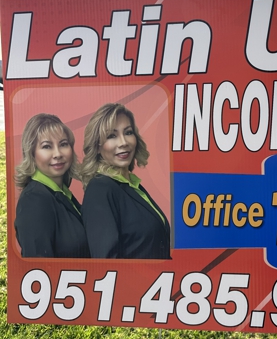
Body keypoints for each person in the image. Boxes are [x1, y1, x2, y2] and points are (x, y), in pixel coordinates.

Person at [80, 103, 171, 259]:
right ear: (97, 146)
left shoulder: (132, 186)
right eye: (111, 136)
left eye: (128, 132)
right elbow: (106, 263)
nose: (123, 142)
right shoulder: (100, 190)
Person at [14, 113, 90, 258]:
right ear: (32, 153)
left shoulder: (62, 194)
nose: (57, 154)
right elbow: (39, 269)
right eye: (47, 146)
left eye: (63, 144)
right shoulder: (34, 200)